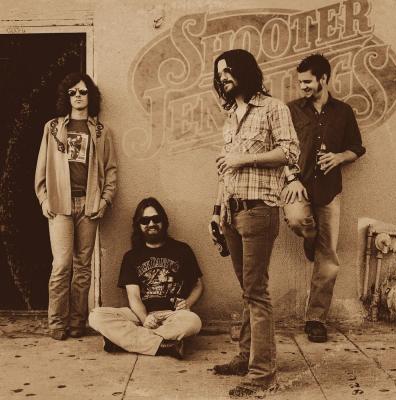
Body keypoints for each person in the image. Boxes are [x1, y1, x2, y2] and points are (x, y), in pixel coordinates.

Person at [210, 49, 299, 397]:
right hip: (231, 212)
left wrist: (242, 159)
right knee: (248, 290)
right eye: (219, 74)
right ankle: (246, 357)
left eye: (228, 71)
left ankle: (262, 375)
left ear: (245, 71)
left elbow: (289, 153)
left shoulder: (273, 108)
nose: (223, 78)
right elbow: (225, 170)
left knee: (256, 292)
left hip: (259, 211)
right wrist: (216, 211)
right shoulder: (231, 115)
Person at [281, 54, 366, 343]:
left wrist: (340, 157)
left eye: (307, 81)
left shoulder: (343, 112)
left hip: (329, 190)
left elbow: (357, 147)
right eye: (300, 82)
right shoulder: (291, 110)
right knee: (296, 220)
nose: (302, 86)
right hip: (297, 186)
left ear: (323, 79)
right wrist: (291, 178)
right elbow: (280, 148)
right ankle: (310, 237)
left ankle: (316, 319)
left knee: (328, 257)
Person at [35, 72, 117, 340]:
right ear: (66, 96)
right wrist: (44, 198)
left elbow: (111, 170)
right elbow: (42, 168)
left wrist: (105, 200)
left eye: (83, 91)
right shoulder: (53, 128)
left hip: (89, 204)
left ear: (91, 96)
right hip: (60, 204)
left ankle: (77, 322)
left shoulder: (101, 131)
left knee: (83, 268)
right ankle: (57, 323)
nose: (78, 96)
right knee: (62, 265)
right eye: (72, 92)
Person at [89, 197, 203, 359]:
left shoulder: (182, 250)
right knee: (96, 315)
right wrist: (145, 319)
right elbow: (134, 296)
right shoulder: (131, 257)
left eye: (156, 219)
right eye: (145, 220)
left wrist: (188, 303)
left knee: (193, 322)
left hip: (173, 315)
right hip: (139, 315)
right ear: (139, 225)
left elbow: (198, 284)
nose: (151, 224)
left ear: (164, 221)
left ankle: (123, 342)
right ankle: (164, 345)